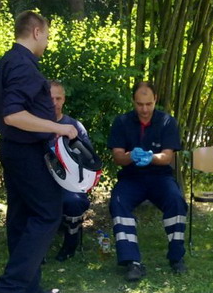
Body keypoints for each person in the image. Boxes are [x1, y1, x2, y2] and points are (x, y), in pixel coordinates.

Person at [0, 11, 78, 293]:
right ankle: (11, 286)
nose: (48, 42)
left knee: (22, 216)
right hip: (25, 152)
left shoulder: (8, 61)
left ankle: (28, 285)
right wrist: (60, 127)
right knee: (48, 214)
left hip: (14, 149)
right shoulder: (23, 66)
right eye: (48, 35)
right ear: (37, 31)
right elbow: (13, 115)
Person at [108, 82, 188, 281]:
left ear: (156, 101)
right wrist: (131, 156)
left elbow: (168, 157)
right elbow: (117, 157)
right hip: (131, 177)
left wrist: (151, 157)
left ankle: (176, 257)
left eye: (148, 104)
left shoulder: (167, 121)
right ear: (133, 102)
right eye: (139, 104)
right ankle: (131, 261)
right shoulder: (122, 121)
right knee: (118, 202)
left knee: (176, 201)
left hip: (160, 175)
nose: (144, 109)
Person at [49, 80, 92, 261]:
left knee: (74, 200)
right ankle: (37, 249)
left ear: (64, 100)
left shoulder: (74, 126)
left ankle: (70, 244)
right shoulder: (34, 125)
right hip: (41, 180)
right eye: (50, 98)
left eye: (58, 98)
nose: (54, 103)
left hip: (70, 182)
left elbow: (88, 159)